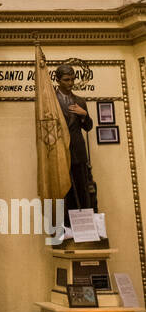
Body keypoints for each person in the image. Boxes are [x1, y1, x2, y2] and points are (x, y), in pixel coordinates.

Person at [54, 64, 95, 220]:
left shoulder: (79, 101)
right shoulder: (51, 101)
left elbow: (88, 127)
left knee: (82, 188)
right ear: (58, 80)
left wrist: (84, 115)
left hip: (78, 151)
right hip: (60, 151)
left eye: (72, 79)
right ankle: (67, 226)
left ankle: (85, 224)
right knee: (65, 191)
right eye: (66, 80)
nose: (70, 83)